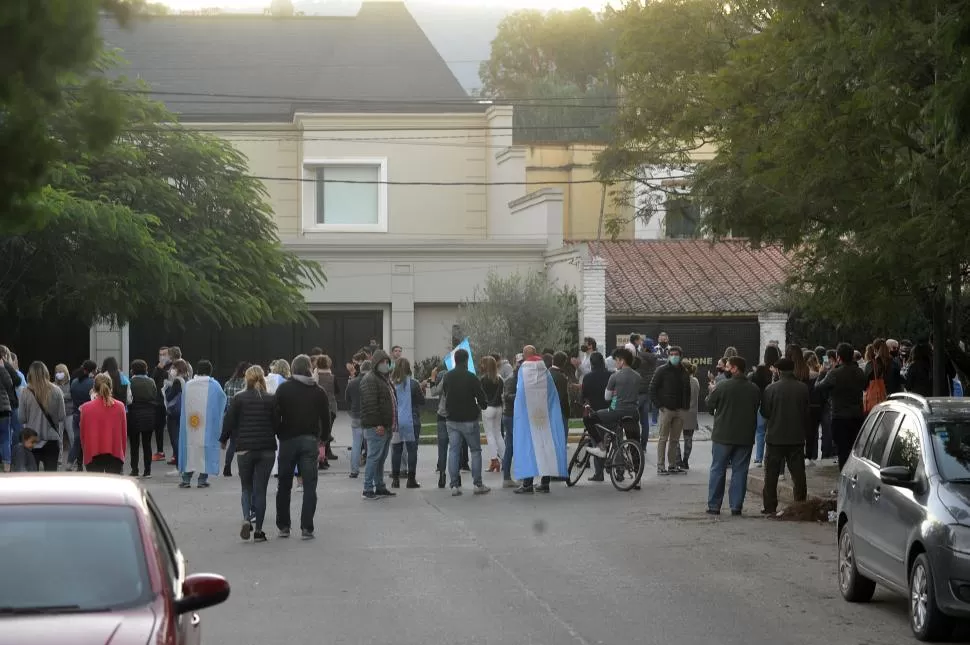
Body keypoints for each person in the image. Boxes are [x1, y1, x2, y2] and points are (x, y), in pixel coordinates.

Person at [274, 354, 331, 538]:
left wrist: (279, 432)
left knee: (284, 483)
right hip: (309, 440)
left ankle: (283, 525)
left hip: (288, 440)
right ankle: (307, 527)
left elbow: (275, 414)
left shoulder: (283, 389)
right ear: (308, 368)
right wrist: (323, 437)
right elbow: (326, 417)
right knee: (309, 485)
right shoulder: (318, 391)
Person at [221, 365, 277, 543]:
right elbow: (277, 424)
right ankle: (259, 531)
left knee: (246, 487)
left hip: (244, 448)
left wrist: (223, 439)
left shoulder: (239, 398)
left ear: (247, 379)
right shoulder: (271, 399)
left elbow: (229, 421)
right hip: (267, 449)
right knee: (261, 490)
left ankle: (246, 518)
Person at [705, 356, 761, 516]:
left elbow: (710, 404)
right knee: (740, 471)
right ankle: (736, 506)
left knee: (718, 469)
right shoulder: (754, 389)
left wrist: (711, 391)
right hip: (745, 436)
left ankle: (714, 506)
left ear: (735, 368)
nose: (725, 369)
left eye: (728, 366)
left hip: (723, 435)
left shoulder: (722, 386)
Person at [513, 346, 568, 495]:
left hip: (528, 419)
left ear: (525, 355)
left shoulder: (522, 371)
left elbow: (520, 393)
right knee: (546, 447)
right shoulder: (545, 370)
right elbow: (552, 394)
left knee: (528, 447)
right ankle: (545, 483)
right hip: (545, 418)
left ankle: (527, 484)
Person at [760, 358, 809, 515]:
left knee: (771, 474)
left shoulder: (771, 389)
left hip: (775, 437)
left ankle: (769, 507)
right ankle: (800, 504)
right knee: (798, 474)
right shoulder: (803, 388)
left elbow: (765, 412)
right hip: (796, 437)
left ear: (779, 371)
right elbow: (806, 411)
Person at [443, 348, 490, 496]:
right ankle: (477, 484)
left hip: (451, 419)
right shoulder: (472, 377)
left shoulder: (448, 376)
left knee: (454, 451)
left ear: (455, 360)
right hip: (469, 419)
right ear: (466, 360)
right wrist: (480, 406)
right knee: (475, 451)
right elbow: (481, 398)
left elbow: (445, 393)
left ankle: (454, 485)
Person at [815, 343, 867, 470]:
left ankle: (844, 479)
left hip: (840, 416)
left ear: (838, 357)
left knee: (842, 451)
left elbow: (818, 387)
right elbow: (865, 386)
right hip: (857, 415)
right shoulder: (859, 372)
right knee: (854, 450)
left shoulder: (834, 374)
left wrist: (822, 373)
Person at [584, 348, 641, 459]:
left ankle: (601, 448)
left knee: (588, 419)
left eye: (616, 360)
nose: (615, 363)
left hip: (616, 411)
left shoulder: (615, 376)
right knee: (634, 441)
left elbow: (607, 397)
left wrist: (615, 395)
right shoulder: (637, 376)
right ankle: (636, 466)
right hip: (634, 412)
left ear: (622, 361)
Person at [178, 360, 226, 489]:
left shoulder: (188, 385)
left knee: (190, 449)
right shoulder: (214, 385)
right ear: (210, 371)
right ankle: (202, 480)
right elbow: (222, 400)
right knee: (206, 448)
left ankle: (186, 479)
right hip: (207, 426)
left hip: (190, 425)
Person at [360, 349, 397, 500]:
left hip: (386, 426)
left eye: (387, 362)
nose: (385, 364)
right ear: (376, 363)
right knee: (374, 458)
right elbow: (370, 405)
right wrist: (378, 424)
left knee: (380, 458)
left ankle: (380, 486)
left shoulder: (383, 378)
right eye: (383, 362)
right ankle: (368, 489)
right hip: (377, 427)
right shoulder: (370, 379)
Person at [648, 345, 691, 475]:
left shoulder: (684, 371)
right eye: (671, 354)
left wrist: (686, 407)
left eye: (676, 354)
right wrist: (659, 406)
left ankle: (672, 465)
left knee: (675, 440)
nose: (674, 356)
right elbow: (652, 388)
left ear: (680, 356)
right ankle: (661, 466)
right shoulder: (661, 370)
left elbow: (687, 390)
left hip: (680, 410)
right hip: (666, 409)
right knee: (663, 438)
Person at [19, 361, 66, 472]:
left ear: (30, 374)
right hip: (52, 440)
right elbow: (61, 416)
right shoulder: (57, 391)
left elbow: (22, 418)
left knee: (32, 479)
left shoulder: (25, 392)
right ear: (46, 373)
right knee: (51, 479)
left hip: (31, 440)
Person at [79, 373, 127, 474]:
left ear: (94, 388)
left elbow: (83, 434)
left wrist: (86, 455)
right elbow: (123, 433)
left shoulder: (85, 408)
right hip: (115, 452)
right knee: (114, 488)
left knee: (96, 488)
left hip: (93, 453)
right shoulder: (120, 406)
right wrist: (122, 453)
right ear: (111, 387)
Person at [391, 358, 424, 489]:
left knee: (396, 450)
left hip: (397, 420)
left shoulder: (392, 384)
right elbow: (421, 401)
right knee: (412, 450)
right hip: (412, 419)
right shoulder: (414, 384)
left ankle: (395, 480)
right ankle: (411, 479)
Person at [580, 351, 612, 482]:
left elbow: (583, 396)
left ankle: (599, 473)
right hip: (610, 412)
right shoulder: (611, 375)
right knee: (614, 439)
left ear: (591, 364)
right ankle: (618, 470)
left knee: (597, 442)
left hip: (595, 413)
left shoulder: (587, 378)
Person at [127, 360, 159, 478]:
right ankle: (147, 471)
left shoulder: (130, 382)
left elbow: (128, 399)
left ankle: (134, 469)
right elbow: (155, 395)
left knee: (134, 444)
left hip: (134, 414)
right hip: (149, 414)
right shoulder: (151, 381)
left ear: (133, 370)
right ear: (146, 369)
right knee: (147, 444)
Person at [751, 345, 782, 466]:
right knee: (774, 431)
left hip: (762, 403)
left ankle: (759, 458)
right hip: (776, 404)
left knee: (760, 431)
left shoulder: (760, 369)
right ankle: (771, 456)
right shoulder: (779, 368)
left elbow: (754, 385)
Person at [221, 362, 251, 477]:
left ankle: (227, 467)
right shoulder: (246, 383)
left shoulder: (228, 383)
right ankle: (242, 469)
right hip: (243, 417)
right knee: (243, 445)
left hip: (230, 416)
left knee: (232, 443)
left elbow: (224, 400)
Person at [480, 356, 506, 474]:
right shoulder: (500, 379)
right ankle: (505, 459)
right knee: (498, 434)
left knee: (490, 435)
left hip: (487, 408)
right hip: (498, 408)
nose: (481, 366)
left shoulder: (483, 379)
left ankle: (494, 460)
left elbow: (480, 395)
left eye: (482, 364)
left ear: (486, 366)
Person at [68, 360, 96, 470]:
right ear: (92, 371)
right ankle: (88, 464)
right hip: (89, 416)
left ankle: (75, 464)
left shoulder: (74, 381)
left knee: (78, 440)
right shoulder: (92, 383)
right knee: (89, 441)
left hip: (76, 414)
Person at [345, 360, 371, 479]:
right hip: (370, 416)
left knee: (356, 444)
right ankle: (371, 469)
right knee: (370, 444)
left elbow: (347, 399)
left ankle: (354, 471)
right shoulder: (372, 382)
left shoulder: (352, 382)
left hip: (356, 416)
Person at [674, 361, 700, 470]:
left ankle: (678, 460)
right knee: (688, 439)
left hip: (680, 413)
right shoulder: (695, 381)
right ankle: (686, 461)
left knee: (675, 438)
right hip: (692, 413)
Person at [164, 359, 190, 469]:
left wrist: (165, 389)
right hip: (183, 411)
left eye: (173, 368)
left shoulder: (177, 381)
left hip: (174, 413)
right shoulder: (187, 378)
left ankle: (179, 466)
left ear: (178, 369)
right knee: (181, 438)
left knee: (175, 439)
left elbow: (169, 396)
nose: (171, 370)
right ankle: (182, 464)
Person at [315, 355, 339, 468]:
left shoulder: (315, 376)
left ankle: (322, 456)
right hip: (330, 408)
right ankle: (323, 458)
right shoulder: (332, 377)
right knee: (326, 434)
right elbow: (337, 391)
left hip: (317, 408)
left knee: (319, 434)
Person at [501, 354, 522, 487]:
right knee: (516, 446)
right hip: (511, 416)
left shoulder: (518, 378)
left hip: (512, 415)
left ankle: (507, 478)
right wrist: (521, 394)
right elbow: (507, 396)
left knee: (510, 447)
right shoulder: (511, 380)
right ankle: (519, 476)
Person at [635, 339, 659, 440]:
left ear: (644, 347)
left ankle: (635, 444)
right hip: (648, 391)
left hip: (638, 391)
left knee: (633, 418)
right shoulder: (654, 359)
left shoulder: (639, 358)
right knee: (644, 420)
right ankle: (643, 446)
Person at [53, 363, 73, 459]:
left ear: (65, 372)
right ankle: (59, 458)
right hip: (58, 415)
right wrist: (64, 396)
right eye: (57, 372)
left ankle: (74, 458)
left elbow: (71, 395)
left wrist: (61, 396)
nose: (58, 374)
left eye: (60, 372)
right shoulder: (53, 384)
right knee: (58, 438)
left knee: (72, 437)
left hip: (69, 413)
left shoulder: (71, 383)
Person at [0, 355, 14, 472]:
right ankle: (7, 466)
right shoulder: (1, 370)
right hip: (4, 409)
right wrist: (2, 368)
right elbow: (9, 384)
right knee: (5, 438)